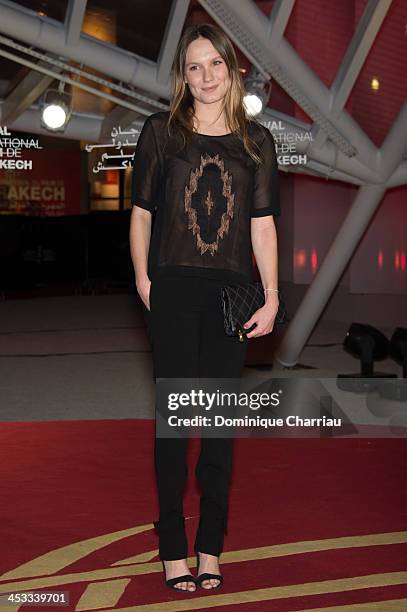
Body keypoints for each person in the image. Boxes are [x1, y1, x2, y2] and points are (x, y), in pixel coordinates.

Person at [129, 23, 280, 593]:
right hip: (171, 288)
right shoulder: (159, 133)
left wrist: (270, 296)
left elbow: (263, 226)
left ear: (231, 69)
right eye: (195, 67)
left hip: (231, 296)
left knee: (217, 426)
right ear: (182, 76)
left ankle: (211, 545)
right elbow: (142, 212)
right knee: (175, 425)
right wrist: (144, 279)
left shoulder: (256, 141)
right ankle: (172, 547)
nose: (206, 76)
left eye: (215, 63)